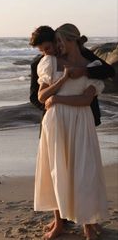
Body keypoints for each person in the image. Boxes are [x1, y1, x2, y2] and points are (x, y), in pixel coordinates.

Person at [34, 24, 110, 240]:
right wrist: (64, 79)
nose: (56, 47)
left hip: (81, 121)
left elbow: (86, 99)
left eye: (59, 42)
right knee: (57, 170)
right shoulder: (50, 62)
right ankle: (59, 223)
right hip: (56, 122)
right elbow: (41, 97)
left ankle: (88, 222)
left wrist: (58, 99)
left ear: (72, 40)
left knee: (85, 171)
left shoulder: (92, 66)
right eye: (55, 42)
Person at [29, 26, 115, 126]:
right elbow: (34, 97)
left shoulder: (82, 54)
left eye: (47, 48)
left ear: (55, 41)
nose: (45, 53)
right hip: (54, 118)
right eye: (41, 51)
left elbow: (109, 71)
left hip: (85, 116)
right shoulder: (39, 63)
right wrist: (54, 108)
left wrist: (84, 71)